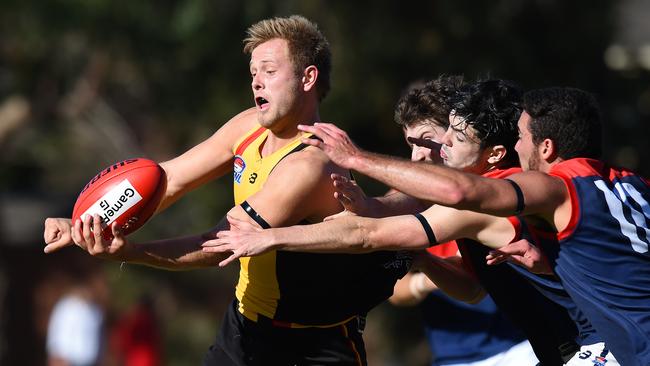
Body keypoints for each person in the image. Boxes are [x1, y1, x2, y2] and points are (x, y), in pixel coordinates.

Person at [43, 15, 409, 366]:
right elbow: (166, 180)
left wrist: (133, 252)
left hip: (312, 346)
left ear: (308, 77)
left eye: (269, 71)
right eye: (253, 73)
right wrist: (87, 221)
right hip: (243, 325)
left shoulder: (309, 164)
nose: (256, 82)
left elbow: (220, 241)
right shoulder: (248, 127)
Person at [206, 80, 614, 365]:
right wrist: (409, 246)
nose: (430, 153)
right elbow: (470, 286)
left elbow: (367, 235)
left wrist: (273, 235)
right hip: (568, 347)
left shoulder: (487, 196)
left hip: (583, 347)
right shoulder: (558, 188)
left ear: (492, 153)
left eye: (447, 140)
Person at [341, 77, 538, 366]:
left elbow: (369, 232)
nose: (416, 156)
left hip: (523, 345)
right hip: (455, 354)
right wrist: (425, 268)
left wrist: (277, 237)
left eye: (425, 139)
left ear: (457, 132)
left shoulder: (499, 187)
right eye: (410, 144)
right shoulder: (418, 193)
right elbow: (407, 284)